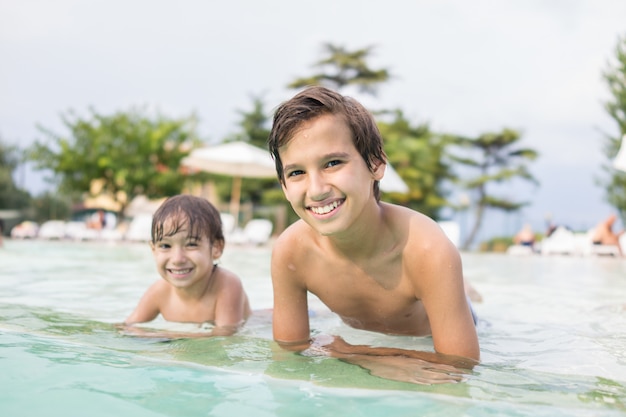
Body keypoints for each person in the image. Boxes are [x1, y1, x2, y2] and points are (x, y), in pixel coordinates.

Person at [267, 86, 479, 383]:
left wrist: (349, 352)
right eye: (297, 173)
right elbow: (289, 353)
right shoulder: (291, 252)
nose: (316, 190)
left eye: (332, 163)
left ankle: (462, 289)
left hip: (434, 330)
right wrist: (364, 357)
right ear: (284, 186)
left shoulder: (425, 249)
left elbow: (460, 365)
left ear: (376, 164)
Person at [124, 194, 252, 336]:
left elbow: (224, 338)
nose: (178, 259)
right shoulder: (159, 291)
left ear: (216, 247)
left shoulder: (227, 285)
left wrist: (167, 337)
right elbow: (128, 328)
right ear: (153, 250)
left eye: (191, 244)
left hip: (258, 322)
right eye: (165, 245)